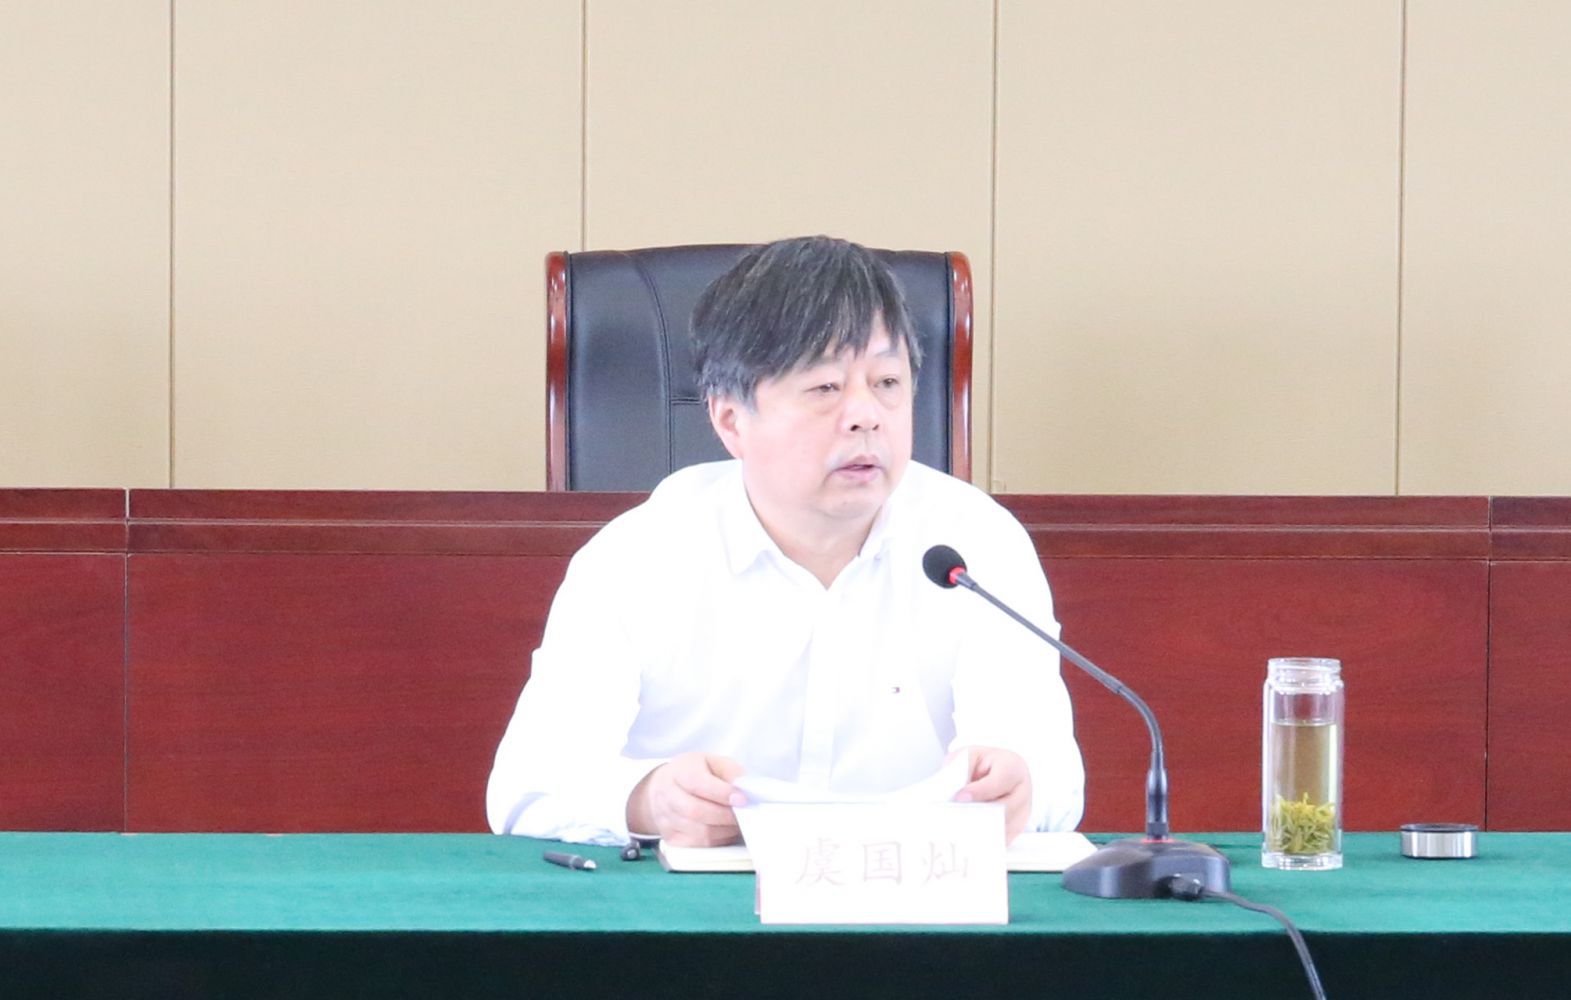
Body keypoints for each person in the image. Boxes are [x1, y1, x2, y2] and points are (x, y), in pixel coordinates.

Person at [487, 236, 1082, 847]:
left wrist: (1021, 786)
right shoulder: (638, 557)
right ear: (730, 420)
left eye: (887, 382)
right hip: (701, 900)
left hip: (916, 891)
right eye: (825, 388)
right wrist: (647, 800)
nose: (866, 415)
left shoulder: (977, 544)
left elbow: (1051, 776)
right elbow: (525, 788)